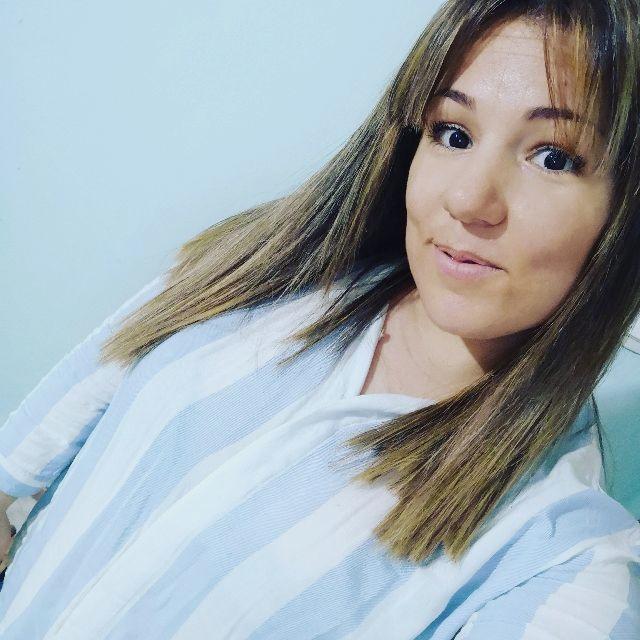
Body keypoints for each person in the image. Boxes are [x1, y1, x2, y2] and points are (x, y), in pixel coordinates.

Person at [1, 0, 639, 637]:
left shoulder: (562, 563)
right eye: (453, 133)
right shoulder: (255, 270)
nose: (468, 198)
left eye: (554, 157)